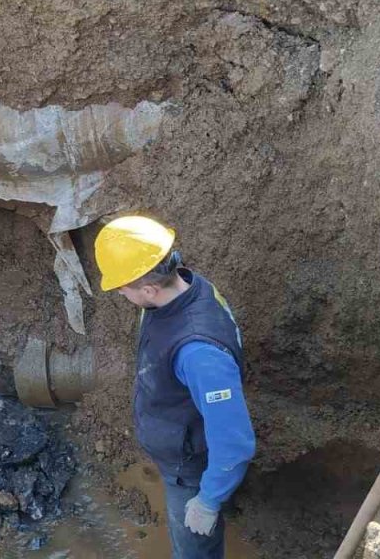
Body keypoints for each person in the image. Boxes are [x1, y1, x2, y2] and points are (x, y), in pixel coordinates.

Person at [94, 215, 256, 558]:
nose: (119, 292)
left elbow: (233, 441)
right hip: (182, 431)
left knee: (193, 549)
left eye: (122, 287)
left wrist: (208, 500)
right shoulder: (185, 286)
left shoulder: (199, 354)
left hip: (190, 468)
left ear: (149, 288)